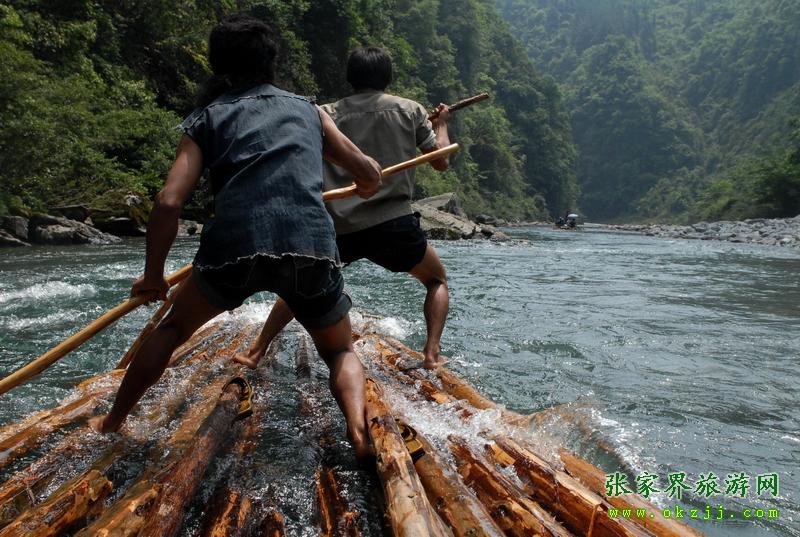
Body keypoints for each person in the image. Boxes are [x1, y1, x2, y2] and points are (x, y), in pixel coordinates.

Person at [88, 15, 382, 459]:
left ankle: (112, 424)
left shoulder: (207, 118)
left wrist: (153, 277)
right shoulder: (309, 110)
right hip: (310, 247)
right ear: (271, 61)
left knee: (172, 329)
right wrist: (366, 181)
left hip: (233, 250)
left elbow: (168, 202)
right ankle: (358, 433)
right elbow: (368, 173)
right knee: (340, 350)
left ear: (217, 65)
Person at [234, 46, 452, 371]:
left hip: (338, 226)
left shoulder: (325, 113)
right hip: (392, 223)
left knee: (301, 286)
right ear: (387, 77)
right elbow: (441, 161)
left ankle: (256, 351)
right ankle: (432, 355)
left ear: (350, 77)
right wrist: (441, 124)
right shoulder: (410, 110)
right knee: (436, 281)